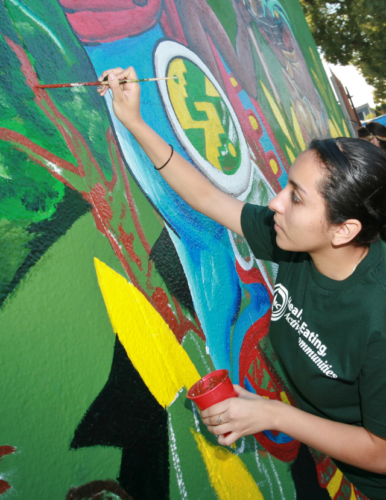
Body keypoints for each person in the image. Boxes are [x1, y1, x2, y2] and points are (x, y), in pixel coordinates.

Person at [98, 67, 386, 500]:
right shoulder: (295, 237)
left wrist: (271, 414)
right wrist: (134, 120)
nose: (275, 202)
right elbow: (209, 198)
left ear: (343, 230)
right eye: (287, 186)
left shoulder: (378, 315)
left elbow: (380, 452)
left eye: (296, 197)